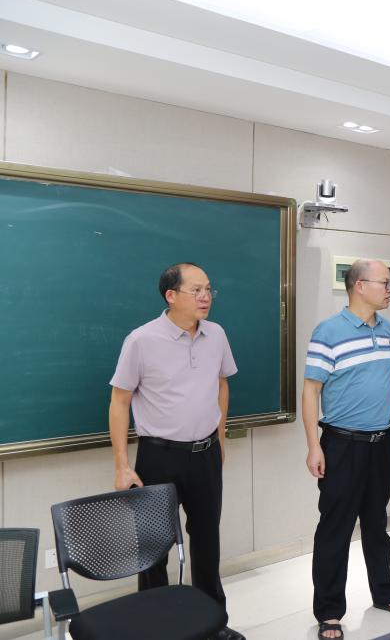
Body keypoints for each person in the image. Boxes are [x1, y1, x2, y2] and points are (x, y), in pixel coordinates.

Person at [109, 262, 244, 640]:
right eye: (196, 290)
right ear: (171, 295)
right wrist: (121, 465)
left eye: (208, 289)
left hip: (206, 454)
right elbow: (119, 401)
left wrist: (219, 439)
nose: (205, 297)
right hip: (158, 456)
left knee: (207, 541)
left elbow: (222, 385)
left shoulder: (217, 334)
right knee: (153, 548)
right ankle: (156, 627)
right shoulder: (141, 340)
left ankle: (213, 623)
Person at [303, 259, 390, 640]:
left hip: (381, 443)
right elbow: (311, 391)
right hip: (341, 445)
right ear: (358, 285)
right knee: (335, 529)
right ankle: (329, 611)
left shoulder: (388, 329)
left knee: (376, 524)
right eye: (385, 283)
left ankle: (384, 592)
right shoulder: (328, 332)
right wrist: (313, 446)